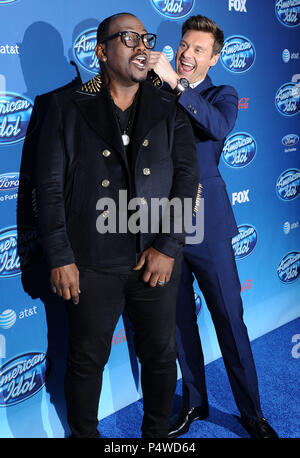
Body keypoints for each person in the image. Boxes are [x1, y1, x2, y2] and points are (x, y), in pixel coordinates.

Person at [35, 12, 199, 438]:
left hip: (155, 260)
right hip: (90, 263)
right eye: (128, 38)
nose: (141, 46)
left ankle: (157, 437)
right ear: (101, 51)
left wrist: (168, 247)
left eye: (145, 37)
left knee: (161, 357)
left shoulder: (170, 105)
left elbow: (187, 180)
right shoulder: (64, 106)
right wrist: (60, 255)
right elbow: (49, 188)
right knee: (86, 360)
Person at [149, 15, 278, 439]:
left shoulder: (223, 93)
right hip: (161, 225)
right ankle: (195, 404)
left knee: (229, 319)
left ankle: (252, 414)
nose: (186, 54)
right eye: (184, 45)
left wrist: (176, 83)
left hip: (208, 222)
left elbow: (218, 127)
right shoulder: (157, 92)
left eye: (198, 49)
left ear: (215, 57)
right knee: (179, 322)